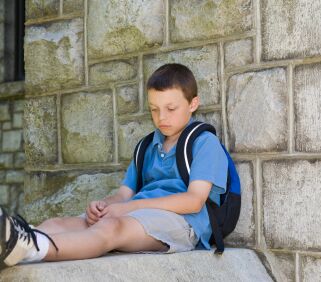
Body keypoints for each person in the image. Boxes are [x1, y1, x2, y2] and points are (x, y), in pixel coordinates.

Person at [0, 63, 228, 269]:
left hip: (183, 223)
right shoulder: (147, 146)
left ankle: (29, 248)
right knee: (58, 223)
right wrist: (103, 206)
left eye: (171, 108)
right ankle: (9, 241)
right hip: (137, 214)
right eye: (154, 109)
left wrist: (127, 209)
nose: (161, 117)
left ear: (193, 104)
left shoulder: (204, 142)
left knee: (110, 228)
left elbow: (193, 200)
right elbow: (123, 195)